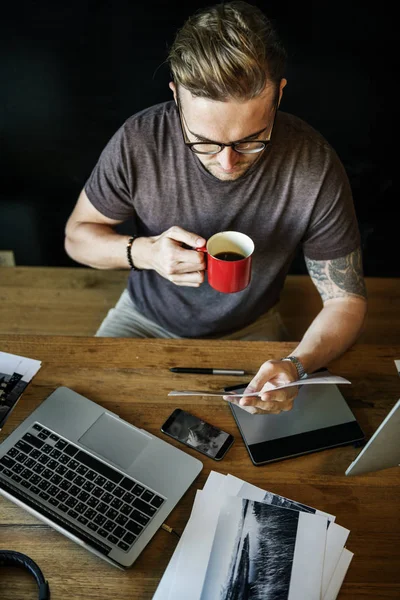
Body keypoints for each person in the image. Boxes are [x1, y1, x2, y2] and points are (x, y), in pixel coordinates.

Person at [64, 1, 367, 416]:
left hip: (253, 328)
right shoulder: (138, 141)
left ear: (278, 93)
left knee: (272, 441)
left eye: (250, 139)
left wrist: (296, 365)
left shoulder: (313, 164)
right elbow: (77, 237)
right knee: (82, 415)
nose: (228, 163)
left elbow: (345, 300)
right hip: (142, 318)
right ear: (176, 95)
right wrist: (146, 253)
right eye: (203, 141)